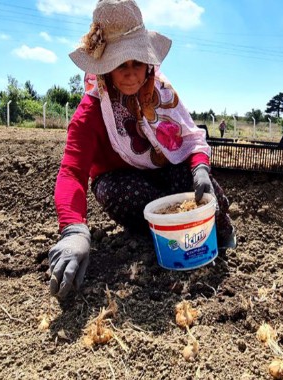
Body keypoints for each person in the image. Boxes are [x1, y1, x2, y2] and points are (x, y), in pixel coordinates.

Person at [48, 0, 236, 298]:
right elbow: (72, 171)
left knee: (193, 183)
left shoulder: (162, 93)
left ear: (149, 63)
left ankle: (208, 233)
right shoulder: (90, 112)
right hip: (126, 185)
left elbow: (188, 138)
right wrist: (73, 230)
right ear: (105, 67)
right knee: (115, 190)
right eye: (121, 64)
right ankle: (161, 235)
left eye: (138, 63)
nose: (132, 74)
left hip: (164, 174)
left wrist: (200, 167)